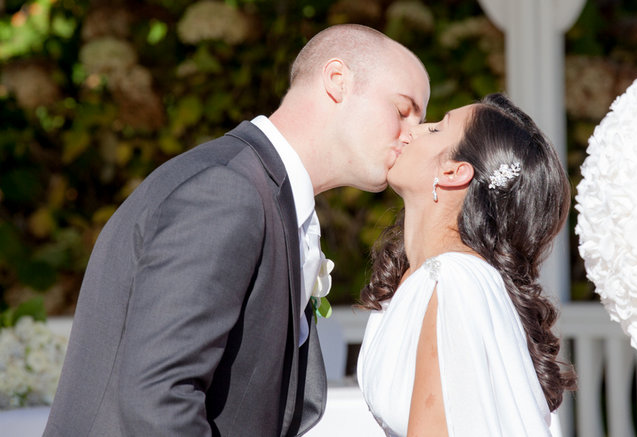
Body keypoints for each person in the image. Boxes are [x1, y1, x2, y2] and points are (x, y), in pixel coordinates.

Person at [44, 24, 430, 437]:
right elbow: (158, 398)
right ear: (337, 81)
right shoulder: (227, 192)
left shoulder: (260, 191)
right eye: (402, 110)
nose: (413, 135)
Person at [357, 93, 577, 436]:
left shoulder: (455, 282)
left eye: (436, 129)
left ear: (453, 172)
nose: (413, 129)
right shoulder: (421, 278)